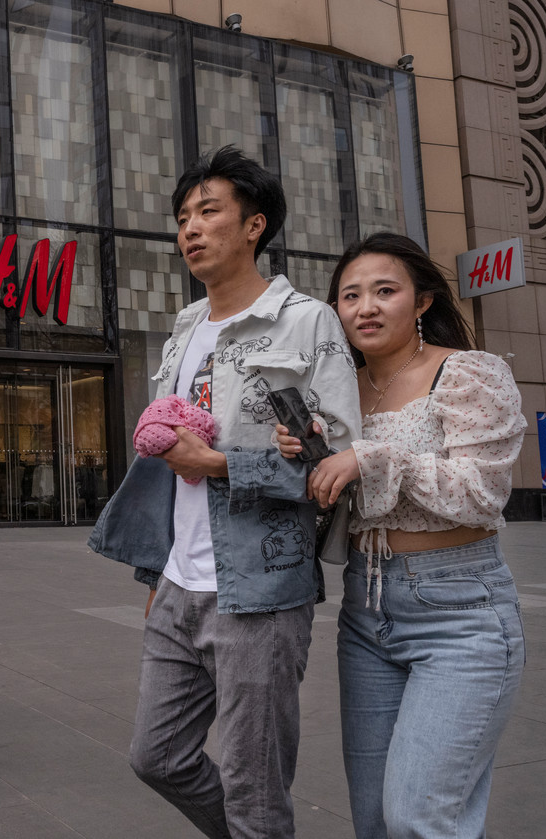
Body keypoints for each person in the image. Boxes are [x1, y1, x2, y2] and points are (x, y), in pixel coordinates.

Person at [88, 146, 361, 838]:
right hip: (179, 584)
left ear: (254, 225)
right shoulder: (183, 330)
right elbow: (164, 457)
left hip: (262, 591)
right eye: (183, 217)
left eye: (209, 211)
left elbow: (336, 466)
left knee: (255, 785)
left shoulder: (306, 322)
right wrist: (159, 565)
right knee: (157, 755)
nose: (191, 228)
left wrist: (219, 462)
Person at [274, 232, 526, 838]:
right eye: (350, 295)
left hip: (461, 612)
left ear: (421, 302)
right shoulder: (338, 394)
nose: (366, 307)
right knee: (376, 822)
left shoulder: (465, 374)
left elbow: (483, 493)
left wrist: (369, 457)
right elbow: (338, 501)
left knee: (420, 817)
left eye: (385, 291)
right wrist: (305, 458)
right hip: (366, 611)